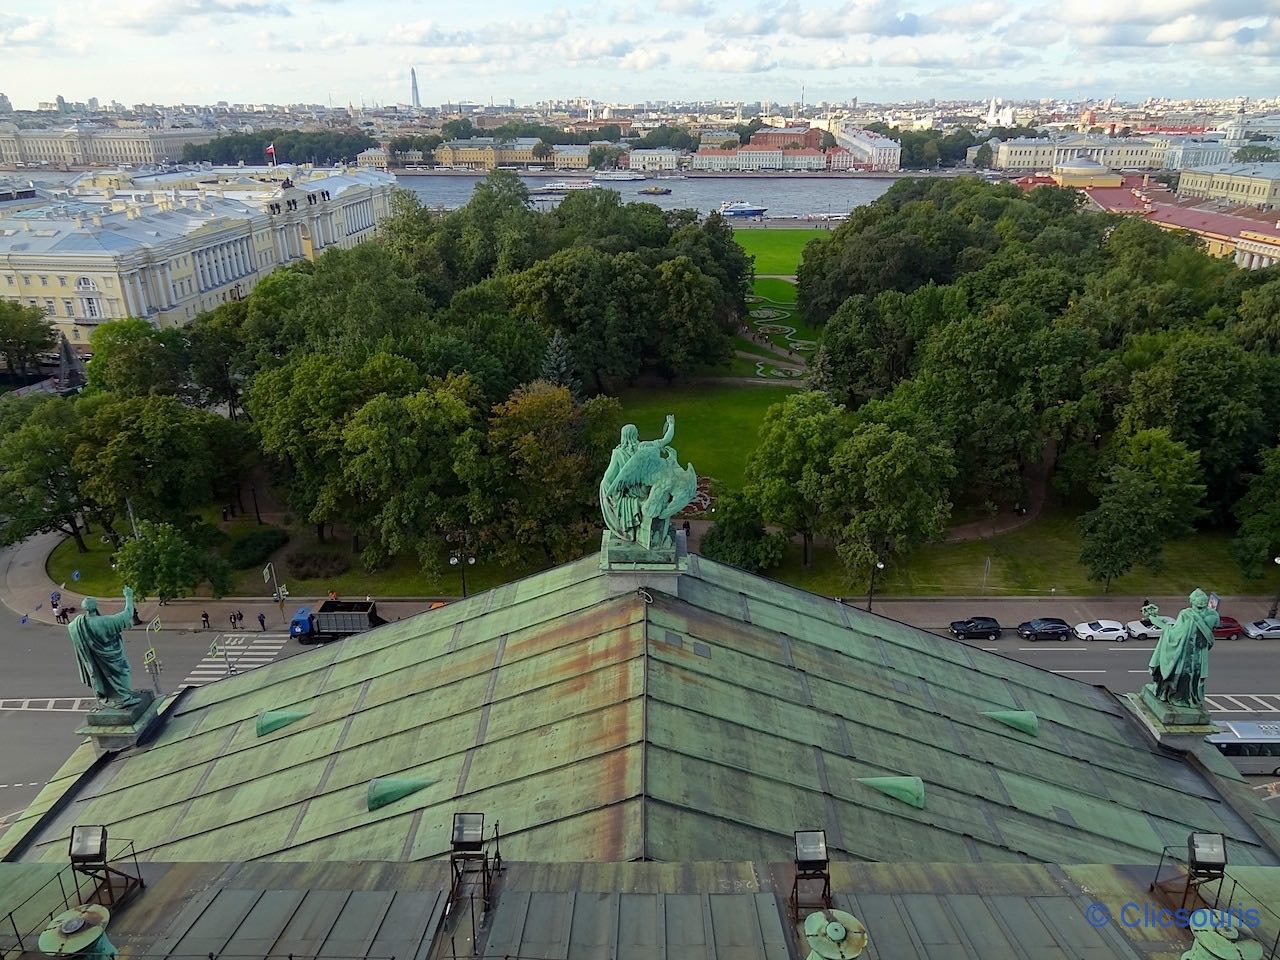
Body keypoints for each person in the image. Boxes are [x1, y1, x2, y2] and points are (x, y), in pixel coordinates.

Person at [67, 589, 140, 709]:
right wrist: (128, 596)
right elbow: (127, 614)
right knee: (123, 673)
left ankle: (113, 696)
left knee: (105, 677)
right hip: (114, 657)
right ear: (96, 606)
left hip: (97, 662)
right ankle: (124, 698)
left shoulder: (75, 625)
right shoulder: (105, 621)